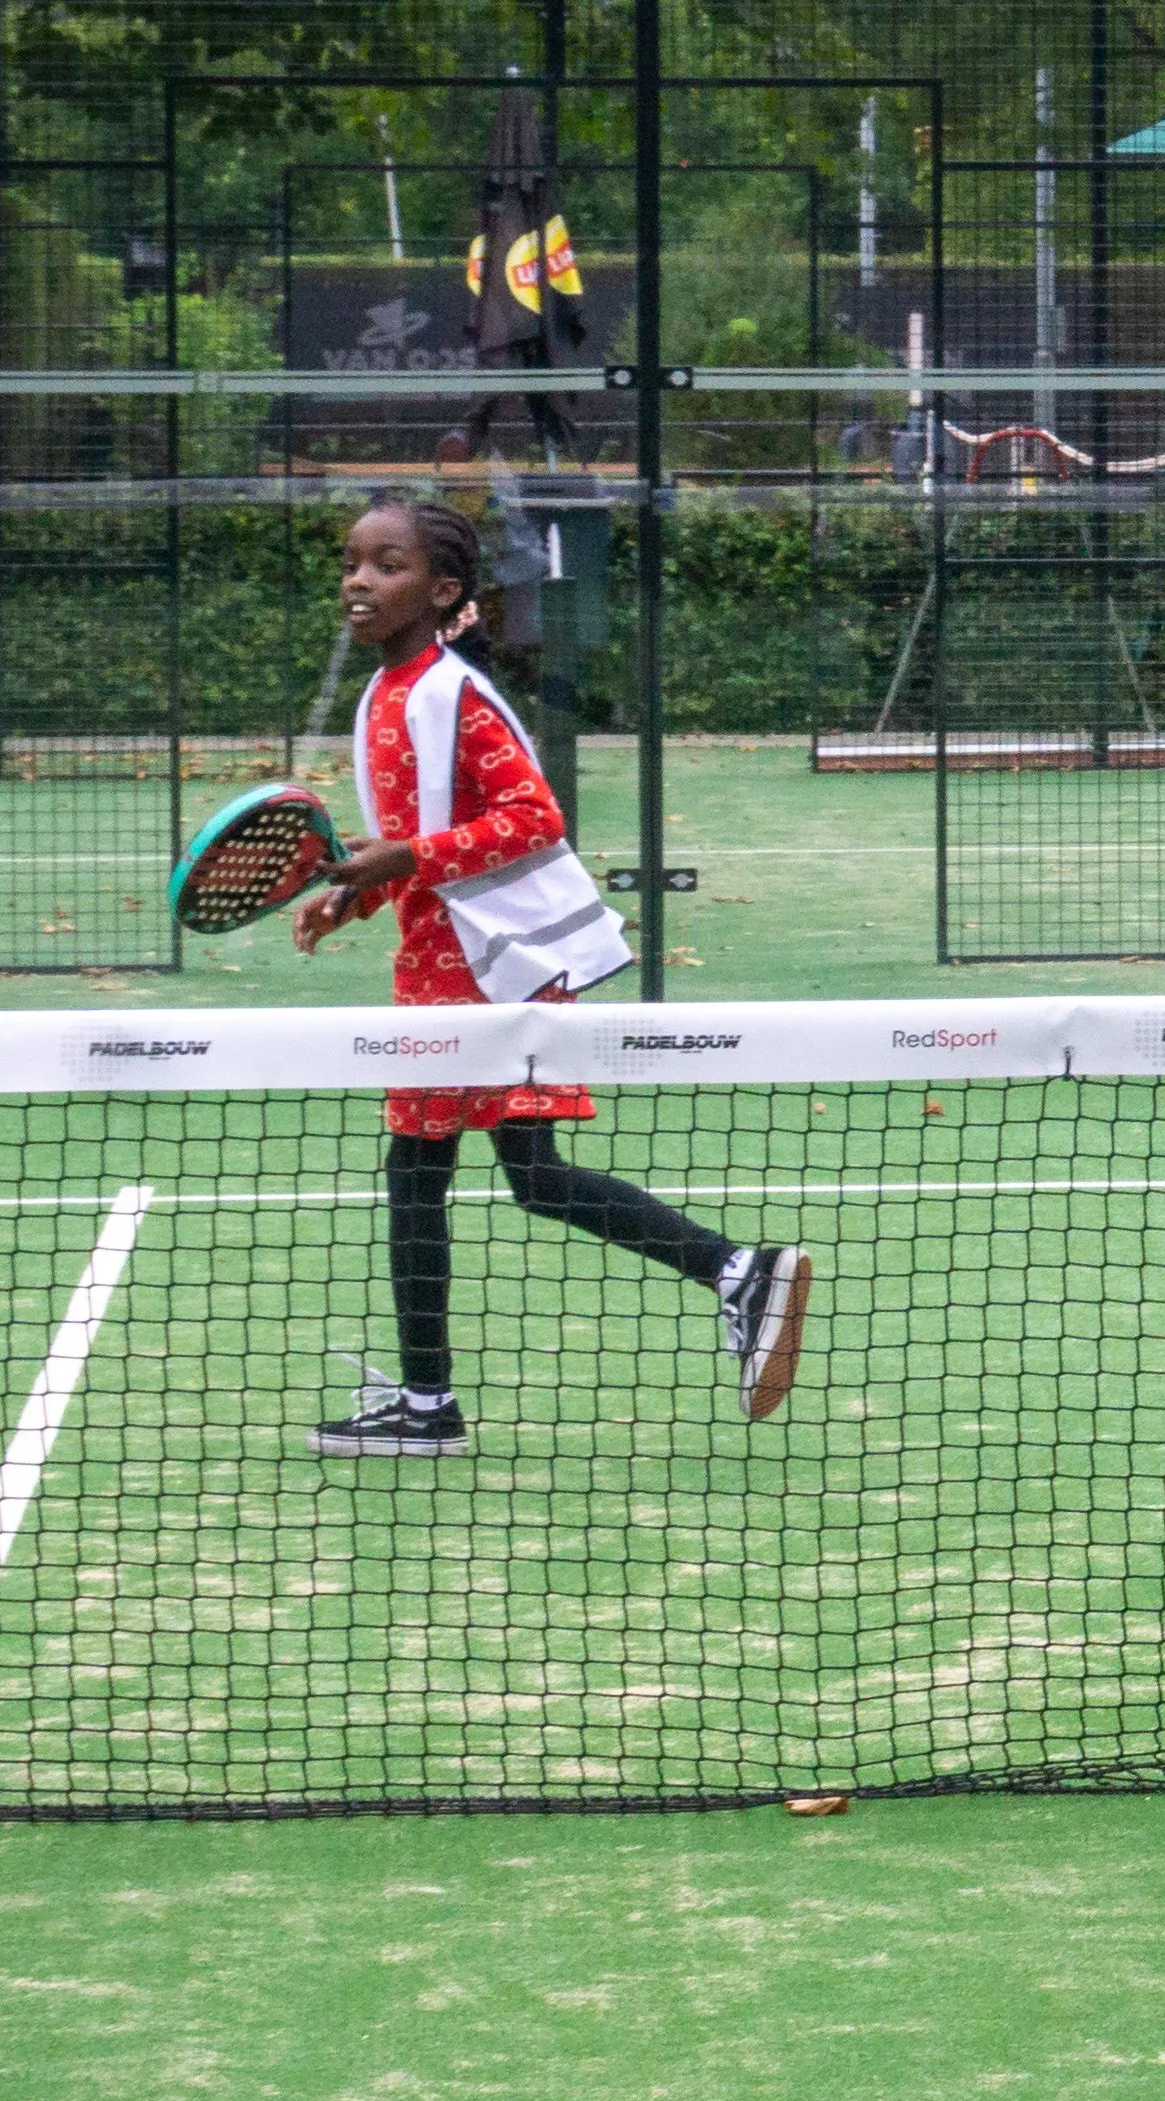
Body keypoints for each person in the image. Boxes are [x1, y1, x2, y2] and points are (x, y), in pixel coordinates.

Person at [292, 494, 810, 1455]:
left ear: (441, 591)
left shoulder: (451, 693)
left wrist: (395, 867)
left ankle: (430, 1405)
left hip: (488, 972)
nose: (358, 580)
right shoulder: (387, 695)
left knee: (426, 1178)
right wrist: (354, 893)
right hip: (453, 968)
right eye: (353, 561)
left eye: (386, 565)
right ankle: (736, 1272)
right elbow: (416, 845)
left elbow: (535, 822)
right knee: (510, 1175)